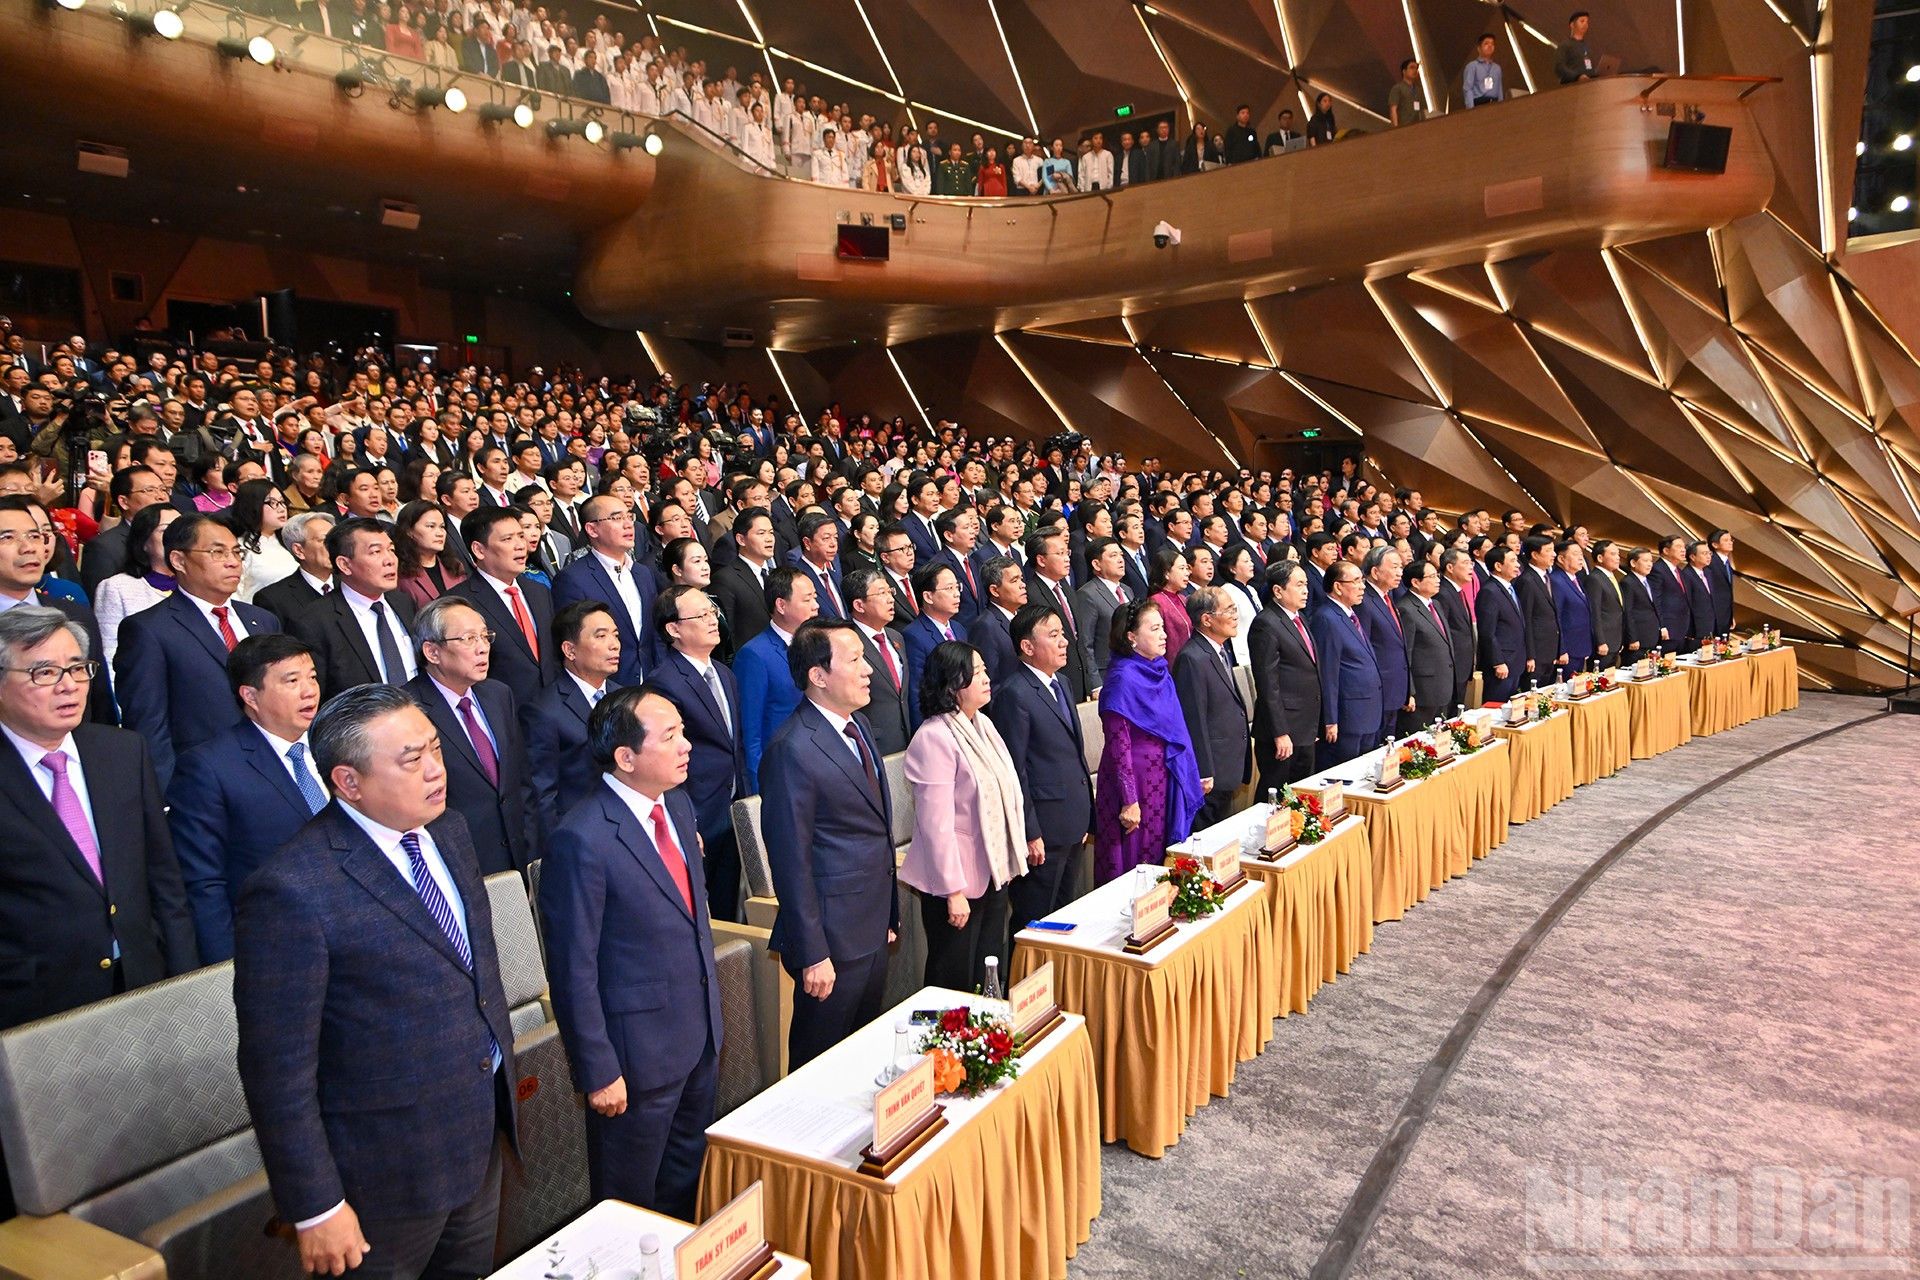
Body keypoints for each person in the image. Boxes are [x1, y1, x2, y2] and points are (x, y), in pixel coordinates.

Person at [233, 685, 519, 1280]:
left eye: (436, 749)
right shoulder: (292, 889)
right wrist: (316, 1206)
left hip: (476, 1133)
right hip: (381, 1174)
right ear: (349, 781)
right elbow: (276, 1070)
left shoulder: (450, 831)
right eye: (412, 760)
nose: (436, 770)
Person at [538, 685, 721, 1218]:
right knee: (628, 1205)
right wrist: (597, 1069)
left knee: (684, 1189)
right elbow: (573, 969)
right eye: (670, 736)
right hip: (634, 1057)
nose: (687, 745)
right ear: (625, 757)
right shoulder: (582, 838)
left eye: (683, 731)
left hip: (697, 1037)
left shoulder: (677, 805)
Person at [0, 604, 195, 1034]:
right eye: (44, 673)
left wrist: (184, 979)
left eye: (78, 669)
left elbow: (163, 878)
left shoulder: (122, 751)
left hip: (143, 980)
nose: (68, 686)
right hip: (35, 1005)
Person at [759, 619, 898, 1067]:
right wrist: (813, 952)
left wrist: (888, 914)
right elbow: (790, 861)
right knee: (821, 1064)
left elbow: (873, 829)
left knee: (862, 1056)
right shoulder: (792, 748)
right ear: (818, 675)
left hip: (870, 923)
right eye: (854, 660)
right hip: (831, 938)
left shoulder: (857, 726)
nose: (868, 669)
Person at [168, 634, 328, 963]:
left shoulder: (334, 746)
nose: (309, 691)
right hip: (277, 947)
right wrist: (226, 967)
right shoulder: (209, 767)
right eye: (292, 681)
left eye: (312, 677)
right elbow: (203, 882)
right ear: (251, 695)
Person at [116, 513, 281, 790]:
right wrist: (168, 794)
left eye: (236, 552)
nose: (233, 562)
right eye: (217, 552)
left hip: (274, 771)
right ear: (179, 560)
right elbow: (148, 725)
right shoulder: (149, 630)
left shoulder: (263, 620)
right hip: (203, 783)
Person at [901, 641, 1028, 991]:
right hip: (955, 882)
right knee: (953, 978)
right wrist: (952, 891)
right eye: (977, 672)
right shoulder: (933, 738)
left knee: (987, 973)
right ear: (952, 683)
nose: (987, 678)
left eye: (986, 670)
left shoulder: (983, 725)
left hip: (992, 871)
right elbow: (936, 825)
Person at [406, 596, 538, 876]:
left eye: (485, 636)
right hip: (458, 864)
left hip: (518, 859)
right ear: (432, 652)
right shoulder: (407, 711)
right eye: (468, 639)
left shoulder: (498, 694)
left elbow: (520, 782)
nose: (483, 648)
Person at [989, 604, 1091, 939]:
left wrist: (1086, 814)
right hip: (1043, 830)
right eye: (1054, 635)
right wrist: (1029, 832)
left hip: (1071, 820)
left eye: (1063, 634)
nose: (1064, 642)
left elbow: (1073, 754)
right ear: (1027, 646)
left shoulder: (1062, 683)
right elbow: (1014, 770)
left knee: (1064, 916)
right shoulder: (1014, 693)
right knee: (1034, 922)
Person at [648, 585, 747, 920]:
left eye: (712, 612)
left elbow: (734, 746)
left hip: (734, 805)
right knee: (702, 909)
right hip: (699, 811)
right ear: (674, 629)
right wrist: (684, 819)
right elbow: (664, 761)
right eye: (701, 615)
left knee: (731, 904)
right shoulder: (665, 682)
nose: (712, 620)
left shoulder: (724, 674)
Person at [1092, 599, 1204, 884]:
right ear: (1131, 637)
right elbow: (1119, 746)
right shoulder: (1122, 678)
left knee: (1159, 857)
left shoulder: (1160, 670)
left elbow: (1176, 730)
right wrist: (1129, 800)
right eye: (1154, 629)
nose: (1164, 635)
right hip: (1132, 782)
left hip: (1162, 776)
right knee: (1131, 862)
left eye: (1163, 627)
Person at [287, 517, 419, 702]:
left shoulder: (403, 602)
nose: (390, 560)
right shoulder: (314, 622)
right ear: (344, 564)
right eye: (375, 552)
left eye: (391, 550)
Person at [522, 600, 625, 832]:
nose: (614, 645)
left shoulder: (623, 697)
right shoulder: (543, 711)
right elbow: (542, 795)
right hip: (582, 832)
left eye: (616, 635)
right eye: (601, 636)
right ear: (570, 650)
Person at [449, 504, 557, 708]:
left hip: (552, 709)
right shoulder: (459, 604)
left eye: (521, 536)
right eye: (507, 539)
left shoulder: (539, 591)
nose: (520, 545)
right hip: (502, 712)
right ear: (479, 550)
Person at [551, 493, 661, 688]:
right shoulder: (573, 579)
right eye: (617, 518)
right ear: (592, 529)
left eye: (629, 516)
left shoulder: (643, 573)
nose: (628, 524)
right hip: (606, 687)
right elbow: (574, 642)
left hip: (651, 681)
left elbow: (653, 631)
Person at [1174, 587, 1252, 829]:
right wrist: (1203, 771)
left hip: (1227, 764)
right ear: (1207, 619)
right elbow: (1193, 719)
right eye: (1228, 610)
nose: (1235, 615)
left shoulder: (1219, 649)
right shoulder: (1192, 657)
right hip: (1211, 773)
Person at [734, 565, 819, 788]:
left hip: (822, 760)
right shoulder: (754, 655)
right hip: (783, 770)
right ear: (781, 605)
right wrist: (759, 788)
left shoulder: (820, 644)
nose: (816, 606)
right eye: (807, 599)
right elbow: (750, 733)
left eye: (815, 597)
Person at [1249, 560, 1321, 793]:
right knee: (1274, 795)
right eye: (1299, 585)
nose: (1306, 590)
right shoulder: (1266, 623)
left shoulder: (1299, 618)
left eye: (1306, 584)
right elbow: (1268, 684)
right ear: (1278, 591)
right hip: (1282, 731)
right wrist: (1280, 732)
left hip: (1305, 726)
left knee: (1301, 795)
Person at [1310, 561, 1384, 765]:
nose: (1362, 587)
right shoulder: (1326, 618)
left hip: (1367, 712)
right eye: (1356, 581)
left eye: (1362, 581)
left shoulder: (1350, 614)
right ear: (1338, 586)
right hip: (1347, 717)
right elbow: (1328, 673)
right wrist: (1330, 719)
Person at [93, 502, 179, 667]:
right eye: (167, 530)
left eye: (182, 530)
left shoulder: (201, 585)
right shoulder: (117, 588)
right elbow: (109, 654)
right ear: (144, 541)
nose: (177, 538)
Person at [844, 565, 911, 756]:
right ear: (859, 605)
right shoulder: (847, 642)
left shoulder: (896, 637)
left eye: (890, 592)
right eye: (882, 593)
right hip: (871, 743)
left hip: (907, 738)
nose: (891, 599)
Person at [1358, 547, 1414, 738]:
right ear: (1375, 572)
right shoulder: (1364, 601)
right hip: (1378, 690)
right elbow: (1364, 649)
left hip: (1395, 689)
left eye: (1401, 567)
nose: (1400, 572)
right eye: (1394, 567)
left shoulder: (1387, 597)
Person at [1397, 560, 1456, 724]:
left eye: (1437, 575)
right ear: (1416, 582)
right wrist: (1409, 691)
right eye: (1432, 576)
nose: (1438, 580)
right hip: (1422, 692)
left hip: (1442, 685)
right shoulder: (1406, 608)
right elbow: (1405, 655)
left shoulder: (1435, 604)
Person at [256, 510, 338, 622]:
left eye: (336, 539)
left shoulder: (352, 584)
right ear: (299, 550)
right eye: (324, 540)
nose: (335, 546)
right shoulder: (273, 599)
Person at [1478, 545, 1530, 702]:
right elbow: (1487, 632)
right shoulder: (1490, 591)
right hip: (1502, 664)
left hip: (1515, 660)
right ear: (1498, 566)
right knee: (1496, 706)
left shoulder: (1509, 588)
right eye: (1512, 561)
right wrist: (1497, 662)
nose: (1518, 565)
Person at [1074, 535, 1130, 683]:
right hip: (1107, 673)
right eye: (1113, 555)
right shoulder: (1087, 594)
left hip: (1131, 668)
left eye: (1121, 555)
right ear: (1096, 564)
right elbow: (1085, 643)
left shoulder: (1127, 590)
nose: (1120, 560)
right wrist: (1095, 683)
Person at [1516, 534, 1563, 685]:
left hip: (1549, 651)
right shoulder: (1527, 580)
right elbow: (1526, 620)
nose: (1554, 554)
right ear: (1535, 555)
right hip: (1536, 653)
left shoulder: (1546, 577)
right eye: (1548, 550)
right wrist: (1530, 655)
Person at [1550, 539, 1595, 677]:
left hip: (1580, 646)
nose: (1580, 558)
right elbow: (1556, 617)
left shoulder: (1575, 579)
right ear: (1561, 558)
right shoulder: (1556, 580)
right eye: (1575, 554)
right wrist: (1561, 649)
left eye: (1581, 554)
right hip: (1567, 650)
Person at [1148, 545, 1193, 665]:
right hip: (1171, 665)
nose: (1187, 573)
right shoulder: (1156, 601)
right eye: (1182, 568)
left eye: (1187, 568)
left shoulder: (1183, 598)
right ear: (1166, 573)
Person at [1622, 545, 1662, 655]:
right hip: (1638, 639)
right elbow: (1628, 612)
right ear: (1633, 563)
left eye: (1651, 561)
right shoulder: (1628, 582)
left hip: (1652, 636)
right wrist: (1632, 638)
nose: (1649, 564)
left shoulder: (1648, 581)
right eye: (1645, 561)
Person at [1707, 528, 1736, 635]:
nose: (1730, 542)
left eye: (1731, 540)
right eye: (1725, 540)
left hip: (1725, 614)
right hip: (1714, 616)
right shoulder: (1710, 562)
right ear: (1715, 544)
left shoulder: (1727, 563)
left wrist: (1731, 615)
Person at [1463, 33, 1505, 108]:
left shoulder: (1497, 68)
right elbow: (1468, 89)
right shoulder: (1472, 66)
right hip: (1479, 103)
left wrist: (1502, 107)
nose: (1490, 46)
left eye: (1492, 44)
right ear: (1479, 48)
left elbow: (1499, 90)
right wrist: (1470, 109)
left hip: (1495, 104)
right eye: (1486, 43)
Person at [1555, 10, 1597, 84]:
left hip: (1589, 86)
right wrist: (1577, 77)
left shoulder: (1587, 47)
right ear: (1572, 25)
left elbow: (1589, 67)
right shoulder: (1565, 45)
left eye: (1587, 22)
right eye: (1582, 21)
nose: (1585, 24)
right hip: (1573, 87)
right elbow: (1559, 68)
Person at [1388, 58, 1425, 126]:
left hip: (1418, 126)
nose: (1415, 70)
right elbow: (1393, 110)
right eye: (1412, 68)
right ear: (1404, 71)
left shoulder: (1418, 90)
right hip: (1404, 126)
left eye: (1416, 68)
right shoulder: (1398, 88)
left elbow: (1423, 110)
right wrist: (1396, 128)